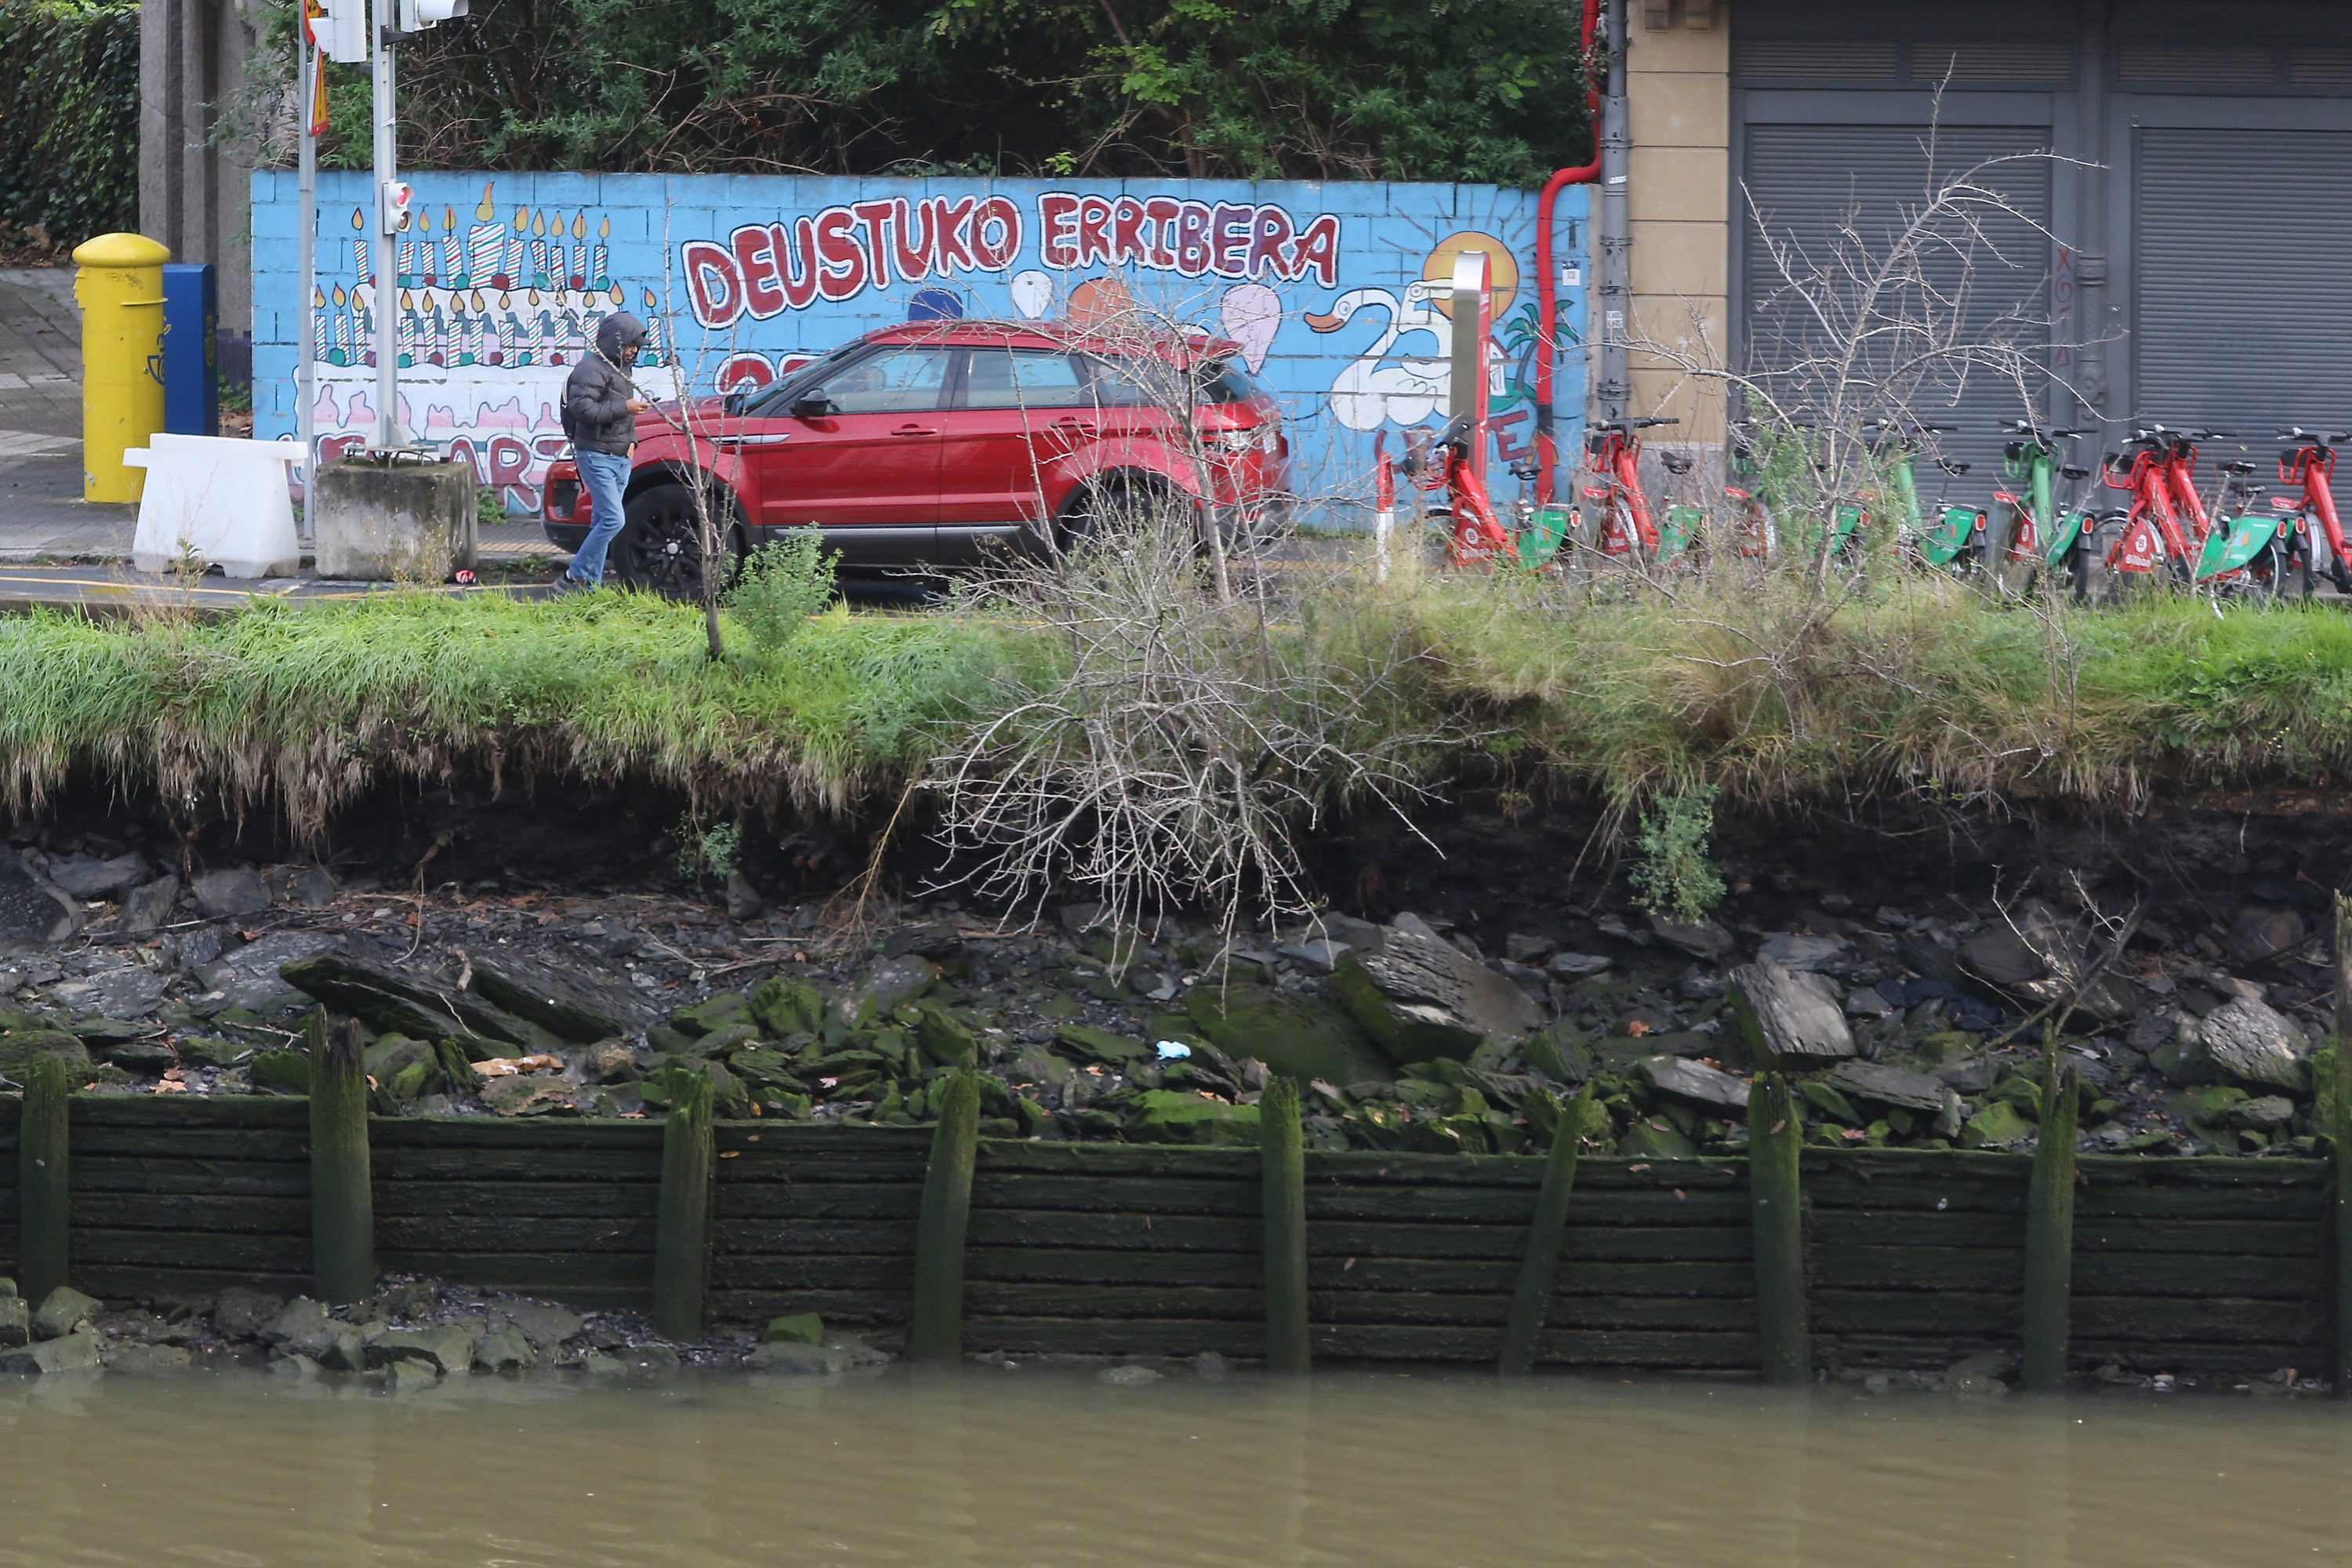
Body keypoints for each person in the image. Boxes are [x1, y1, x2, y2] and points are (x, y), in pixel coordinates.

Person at [555, 311, 652, 592]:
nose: (635, 350)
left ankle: (589, 587)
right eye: (631, 344)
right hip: (595, 455)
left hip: (620, 456)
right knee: (613, 519)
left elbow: (624, 417)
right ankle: (573, 577)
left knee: (601, 520)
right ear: (615, 341)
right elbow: (583, 410)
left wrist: (632, 441)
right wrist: (626, 407)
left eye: (637, 346)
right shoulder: (590, 369)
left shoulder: (622, 369)